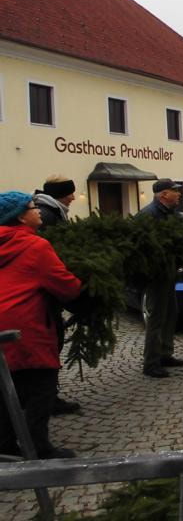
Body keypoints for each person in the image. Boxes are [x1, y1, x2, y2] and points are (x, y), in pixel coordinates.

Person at [0, 191, 82, 459]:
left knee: (7, 385)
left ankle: (5, 445)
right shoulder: (35, 246)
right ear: (20, 217)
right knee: (41, 386)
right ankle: (39, 448)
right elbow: (66, 286)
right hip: (26, 325)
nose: (38, 210)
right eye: (32, 206)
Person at [33, 175, 82, 414]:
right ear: (60, 194)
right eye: (70, 192)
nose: (73, 197)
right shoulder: (48, 216)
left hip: (47, 291)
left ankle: (48, 396)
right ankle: (47, 399)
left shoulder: (52, 211)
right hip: (45, 294)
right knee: (52, 342)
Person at [136, 179, 183, 378]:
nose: (179, 194)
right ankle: (151, 362)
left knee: (171, 312)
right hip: (156, 274)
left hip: (168, 273)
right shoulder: (149, 215)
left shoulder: (170, 214)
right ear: (164, 194)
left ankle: (165, 353)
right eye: (175, 191)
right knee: (156, 317)